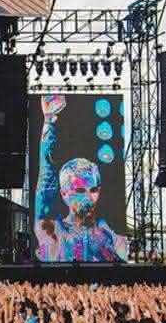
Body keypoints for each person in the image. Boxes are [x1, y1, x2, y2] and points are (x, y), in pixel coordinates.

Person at [34, 95, 127, 262]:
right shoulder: (52, 230)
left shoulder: (107, 235)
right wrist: (49, 122)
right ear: (63, 193)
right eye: (79, 190)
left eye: (93, 190)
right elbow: (46, 176)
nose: (88, 197)